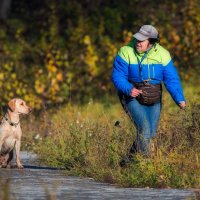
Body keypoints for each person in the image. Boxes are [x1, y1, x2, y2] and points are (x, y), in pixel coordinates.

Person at [111, 25, 186, 166]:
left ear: (151, 42)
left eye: (142, 40)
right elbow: (117, 76)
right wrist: (128, 88)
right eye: (137, 39)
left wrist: (179, 98)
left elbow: (171, 78)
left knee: (150, 134)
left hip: (154, 98)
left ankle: (127, 163)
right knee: (144, 129)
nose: (138, 42)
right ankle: (145, 166)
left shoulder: (163, 54)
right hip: (131, 96)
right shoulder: (125, 51)